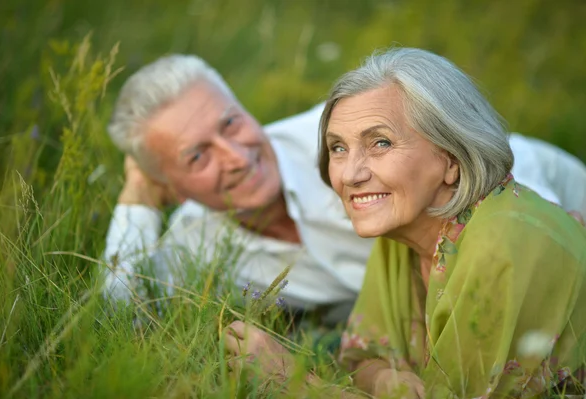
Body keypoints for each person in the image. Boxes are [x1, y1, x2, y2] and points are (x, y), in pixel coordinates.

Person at [103, 54, 586, 321]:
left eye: (231, 123)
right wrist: (138, 202)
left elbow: (517, 203)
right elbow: (119, 317)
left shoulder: (348, 133)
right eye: (198, 155)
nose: (236, 156)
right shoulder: (196, 244)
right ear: (175, 187)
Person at [223, 48, 586, 398]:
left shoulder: (502, 243)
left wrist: (297, 385)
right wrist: (382, 379)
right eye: (338, 148)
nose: (350, 174)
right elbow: (361, 357)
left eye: (380, 143)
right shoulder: (404, 232)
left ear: (451, 160)